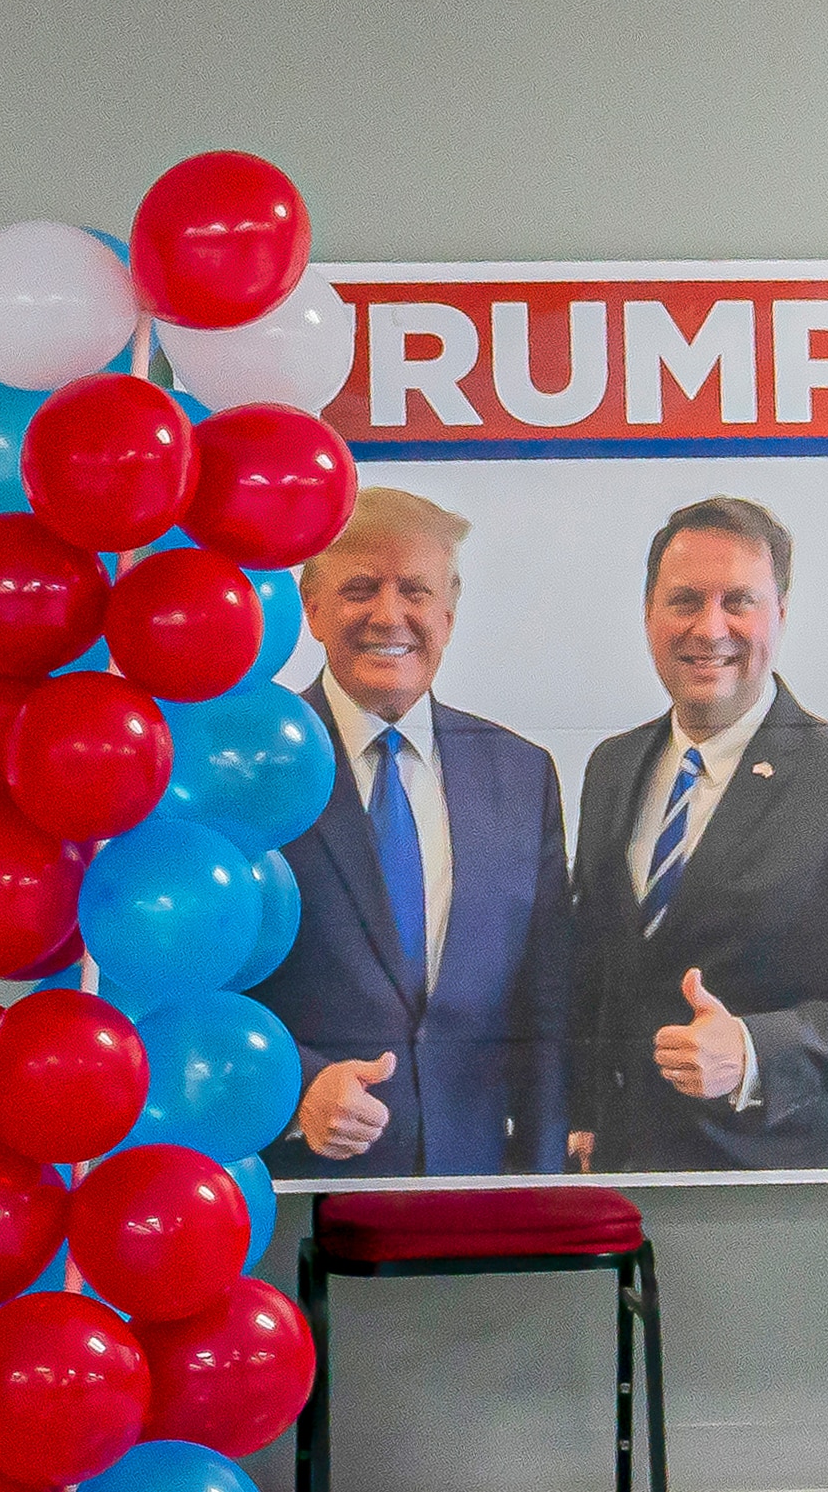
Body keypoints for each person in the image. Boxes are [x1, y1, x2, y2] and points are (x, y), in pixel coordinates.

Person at [567, 497, 828, 1172]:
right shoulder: (612, 765)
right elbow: (597, 965)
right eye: (684, 599)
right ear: (649, 614)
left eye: (737, 600)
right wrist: (580, 1113)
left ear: (780, 614)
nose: (708, 628)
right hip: (620, 1180)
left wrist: (753, 1049)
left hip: (776, 1186)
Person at [256, 487, 574, 1180]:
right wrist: (298, 1087)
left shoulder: (521, 774)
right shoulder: (253, 767)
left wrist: (547, 1182)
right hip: (299, 1187)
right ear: (311, 608)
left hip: (478, 1191)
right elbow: (203, 982)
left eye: (416, 591)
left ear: (449, 615)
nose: (389, 614)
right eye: (360, 589)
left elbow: (546, 1004)